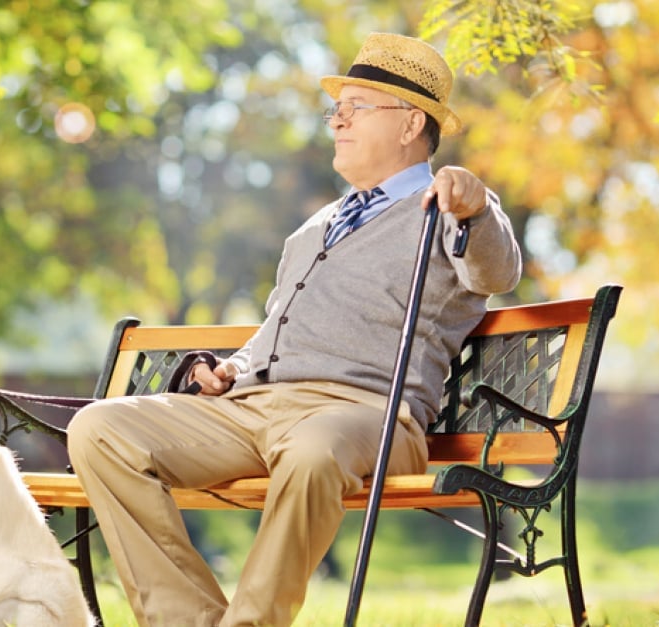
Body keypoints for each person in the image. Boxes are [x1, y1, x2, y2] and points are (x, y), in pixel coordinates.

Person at [67, 32, 522, 627]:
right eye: (336, 109)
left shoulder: (446, 207)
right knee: (100, 428)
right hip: (256, 407)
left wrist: (476, 206)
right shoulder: (316, 227)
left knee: (313, 449)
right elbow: (278, 323)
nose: (337, 121)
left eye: (356, 108)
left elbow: (498, 270)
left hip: (370, 417)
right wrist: (235, 368)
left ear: (411, 124)